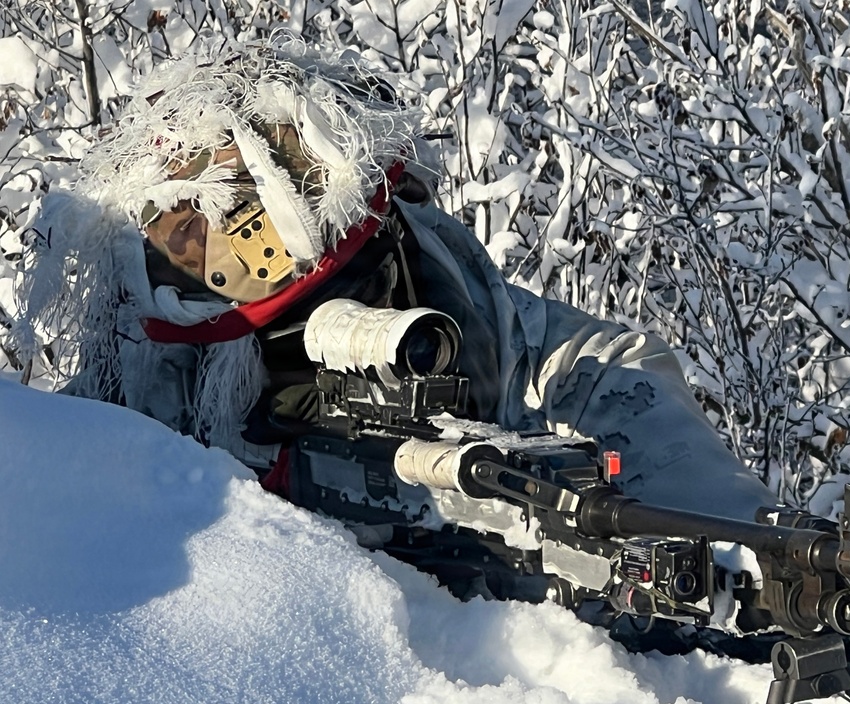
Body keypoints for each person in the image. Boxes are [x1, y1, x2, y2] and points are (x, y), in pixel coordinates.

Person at [14, 35, 777, 525]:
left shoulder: (577, 375)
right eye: (174, 225)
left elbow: (728, 548)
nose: (192, 241)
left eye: (223, 208)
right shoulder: (156, 375)